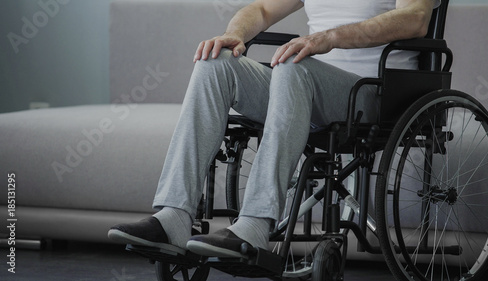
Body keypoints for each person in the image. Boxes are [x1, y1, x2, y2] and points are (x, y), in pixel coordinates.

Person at [108, 0, 440, 258]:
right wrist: (236, 33)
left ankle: (254, 225)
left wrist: (329, 37)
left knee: (295, 68)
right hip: (304, 81)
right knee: (215, 63)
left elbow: (415, 17)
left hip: (374, 91)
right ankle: (175, 217)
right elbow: (262, 9)